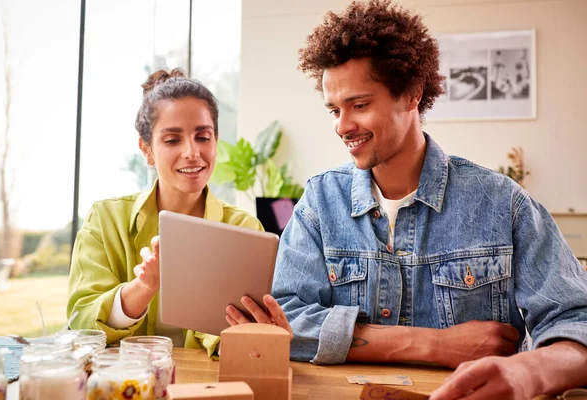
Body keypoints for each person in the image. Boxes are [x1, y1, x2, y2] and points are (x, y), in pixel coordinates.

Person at [226, 1, 587, 398]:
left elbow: (577, 321)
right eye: (334, 109)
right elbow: (284, 321)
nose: (342, 126)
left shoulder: (503, 204)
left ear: (412, 94)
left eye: (359, 105)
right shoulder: (320, 202)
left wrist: (527, 372)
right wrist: (433, 344)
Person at [67, 68, 285, 358]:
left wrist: (268, 334)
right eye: (172, 140)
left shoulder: (246, 229)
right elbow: (81, 321)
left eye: (203, 137)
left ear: (216, 141)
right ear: (147, 149)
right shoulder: (105, 220)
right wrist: (142, 288)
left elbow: (253, 346)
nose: (192, 152)